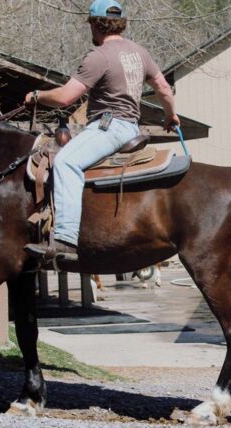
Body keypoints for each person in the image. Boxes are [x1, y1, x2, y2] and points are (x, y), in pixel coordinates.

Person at [24, 0, 179, 260]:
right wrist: (171, 115)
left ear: (96, 25)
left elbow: (65, 97)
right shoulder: (140, 52)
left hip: (110, 127)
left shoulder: (98, 57)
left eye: (91, 26)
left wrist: (37, 96)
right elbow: (163, 88)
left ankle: (65, 238)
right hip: (131, 126)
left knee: (65, 162)